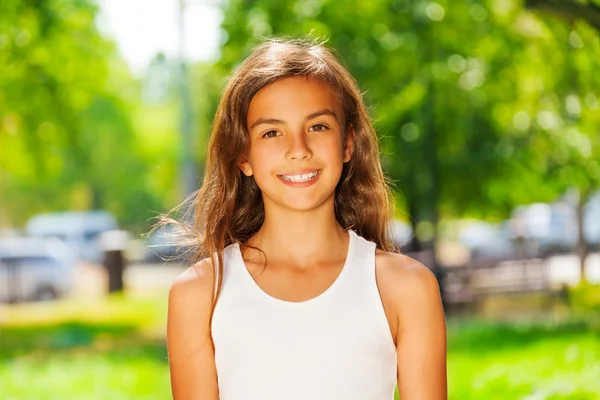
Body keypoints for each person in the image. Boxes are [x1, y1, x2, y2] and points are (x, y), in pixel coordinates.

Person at [165, 38, 447, 400]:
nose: (298, 149)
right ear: (243, 157)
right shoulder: (200, 294)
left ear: (348, 144)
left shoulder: (406, 288)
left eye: (317, 127)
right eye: (271, 133)